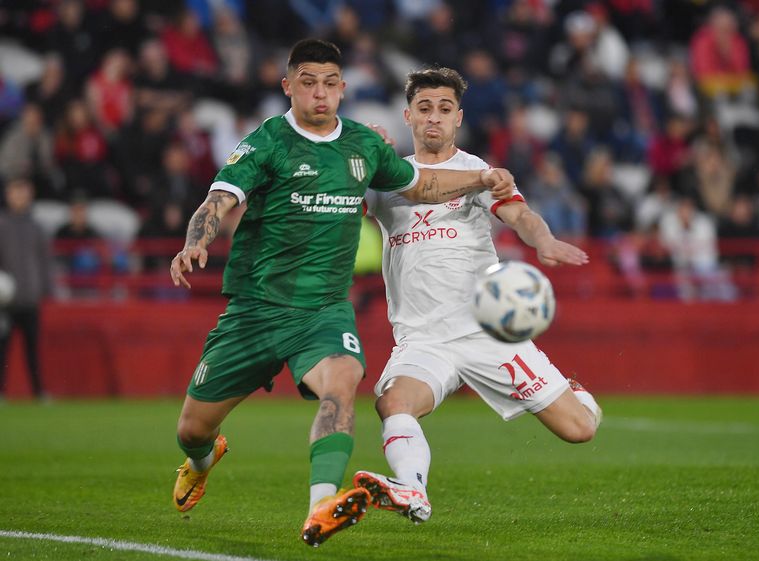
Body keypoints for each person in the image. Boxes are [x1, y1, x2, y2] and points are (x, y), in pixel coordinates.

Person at [168, 40, 514, 547]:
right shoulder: (267, 143)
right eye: (308, 82)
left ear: (343, 88)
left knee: (343, 382)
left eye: (330, 82)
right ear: (289, 86)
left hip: (323, 311)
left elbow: (418, 185)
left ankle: (321, 507)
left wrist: (482, 178)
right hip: (256, 312)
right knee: (192, 429)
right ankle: (203, 458)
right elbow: (219, 198)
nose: (320, 93)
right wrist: (195, 241)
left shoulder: (363, 146)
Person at [351, 67, 602, 524]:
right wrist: (357, 151)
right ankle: (412, 489)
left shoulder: (477, 172)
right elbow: (339, 197)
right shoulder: (385, 177)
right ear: (408, 115)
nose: (434, 118)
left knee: (580, 429)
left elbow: (521, 215)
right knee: (393, 401)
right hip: (422, 337)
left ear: (458, 118)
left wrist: (542, 240)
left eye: (444, 109)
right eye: (424, 108)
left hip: (486, 330)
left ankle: (573, 393)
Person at [0, 177, 52, 400]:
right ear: (8, 195)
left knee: (33, 350)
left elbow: (44, 261)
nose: (19, 197)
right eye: (15, 192)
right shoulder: (1, 224)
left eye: (23, 192)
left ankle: (38, 392)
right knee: (2, 350)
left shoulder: (36, 227)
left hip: (30, 298)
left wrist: (46, 289)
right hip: (5, 302)